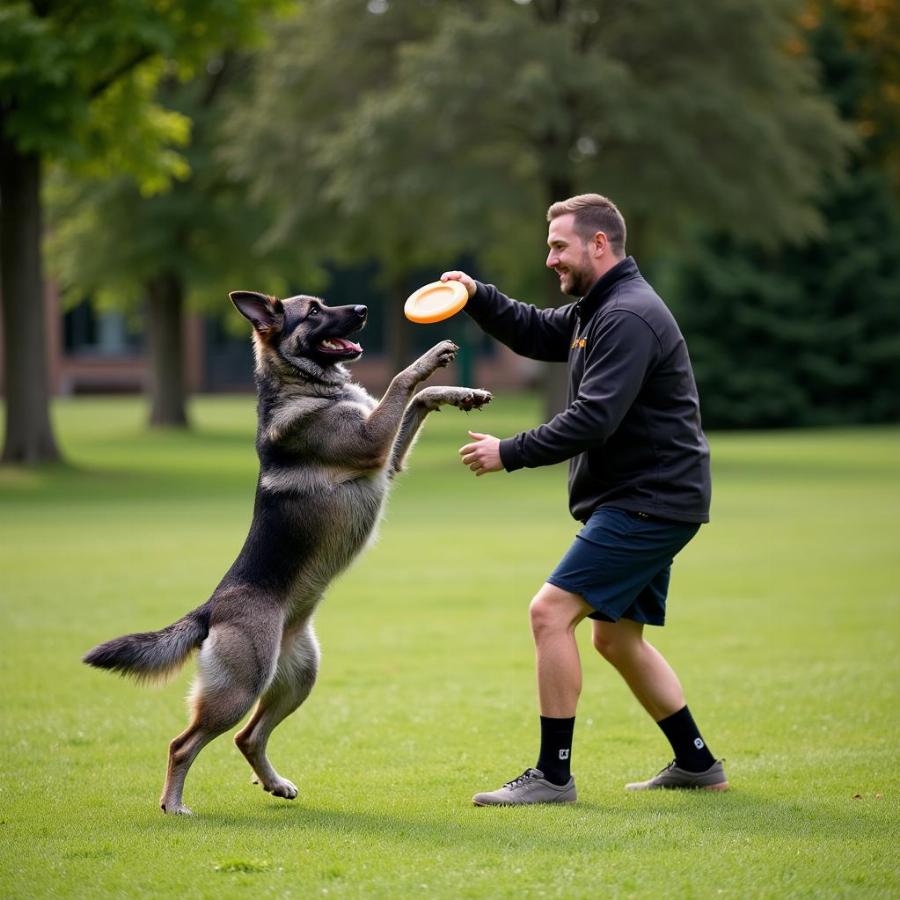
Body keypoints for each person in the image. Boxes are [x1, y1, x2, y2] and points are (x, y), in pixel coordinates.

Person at [442, 193, 726, 806]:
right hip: (651, 496)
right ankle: (697, 763)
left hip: (648, 499)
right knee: (616, 638)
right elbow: (539, 331)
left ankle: (552, 775)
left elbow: (594, 418)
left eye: (559, 246)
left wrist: (508, 452)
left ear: (599, 244)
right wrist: (477, 295)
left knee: (550, 614)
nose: (551, 259)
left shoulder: (627, 316)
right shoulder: (597, 310)